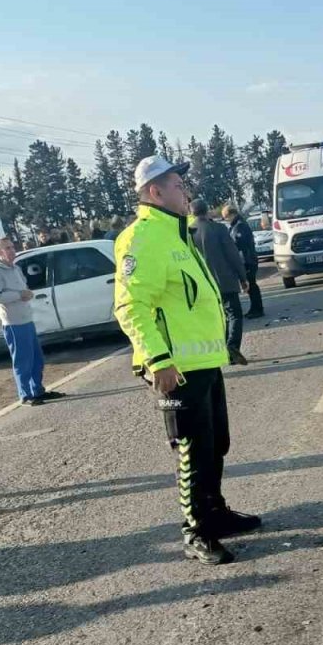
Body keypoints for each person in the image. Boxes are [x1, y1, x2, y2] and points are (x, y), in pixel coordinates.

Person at [113, 155, 260, 565]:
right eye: (178, 185)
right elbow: (131, 306)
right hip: (175, 367)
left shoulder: (178, 233)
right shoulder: (141, 238)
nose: (186, 192)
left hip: (202, 361)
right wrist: (157, 359)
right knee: (192, 450)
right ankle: (194, 530)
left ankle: (215, 512)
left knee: (216, 445)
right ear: (154, 192)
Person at [0, 237, 65, 407]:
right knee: (23, 360)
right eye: (7, 248)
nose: (12, 250)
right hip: (13, 323)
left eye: (12, 247)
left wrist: (26, 293)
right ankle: (25, 394)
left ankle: (37, 390)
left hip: (26, 319)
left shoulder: (16, 268)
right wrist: (18, 295)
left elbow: (23, 289)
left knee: (37, 358)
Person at [190, 198, 249, 365]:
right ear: (207, 210)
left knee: (216, 318)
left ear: (191, 212)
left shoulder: (188, 232)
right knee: (234, 315)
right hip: (225, 281)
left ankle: (221, 351)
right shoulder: (218, 228)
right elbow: (232, 255)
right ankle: (232, 347)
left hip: (203, 285)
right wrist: (243, 277)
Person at [224, 204, 264, 319]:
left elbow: (239, 243)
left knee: (251, 285)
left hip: (247, 260)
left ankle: (257, 309)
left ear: (232, 214)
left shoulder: (240, 226)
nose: (226, 220)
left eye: (226, 217)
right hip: (247, 259)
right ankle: (254, 308)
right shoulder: (236, 225)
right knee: (251, 286)